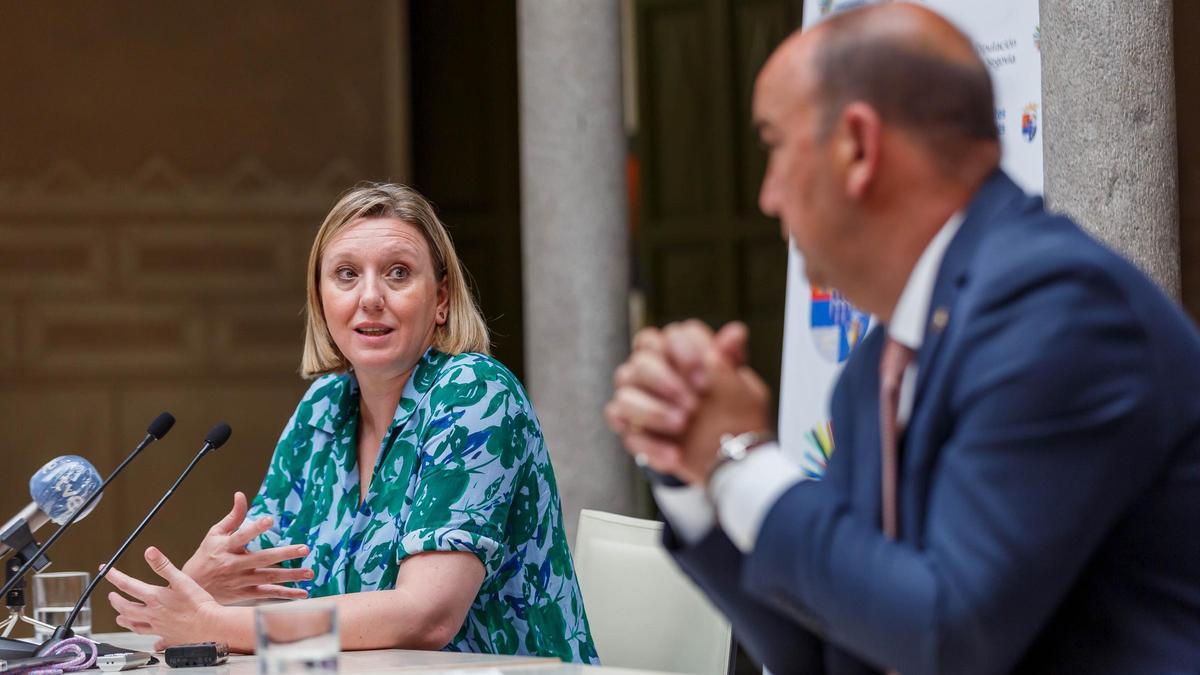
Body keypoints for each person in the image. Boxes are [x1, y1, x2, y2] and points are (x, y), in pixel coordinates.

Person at [605, 4, 1200, 674]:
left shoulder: (1059, 308)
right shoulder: (875, 368)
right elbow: (823, 646)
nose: (768, 196)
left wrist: (738, 459)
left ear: (858, 147)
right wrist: (690, 468)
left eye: (773, 144)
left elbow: (952, 635)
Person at [104, 183, 599, 664]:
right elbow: (264, 592)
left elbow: (426, 617)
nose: (370, 297)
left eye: (399, 273)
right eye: (345, 275)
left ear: (442, 299)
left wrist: (211, 623)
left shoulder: (475, 394)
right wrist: (202, 586)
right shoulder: (324, 407)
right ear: (321, 302)